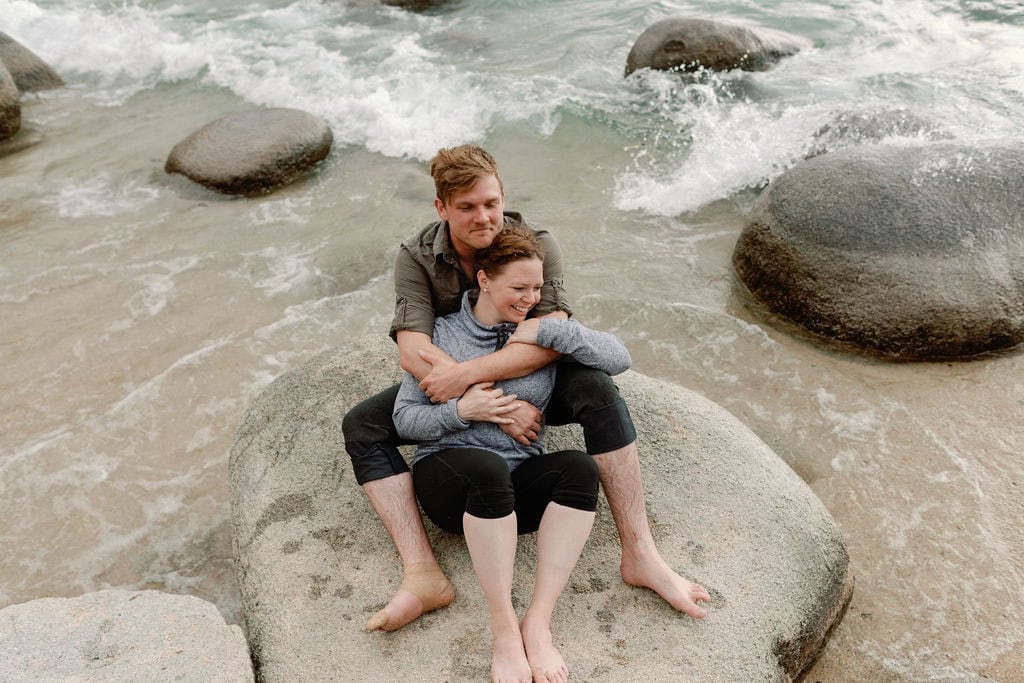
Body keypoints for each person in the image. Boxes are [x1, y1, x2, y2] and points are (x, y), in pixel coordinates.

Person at [342, 144, 709, 634]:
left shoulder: (535, 245)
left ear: (503, 195)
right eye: (467, 207)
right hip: (458, 381)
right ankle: (422, 571)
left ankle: (640, 552)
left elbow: (545, 341)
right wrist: (484, 406)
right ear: (441, 208)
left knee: (597, 390)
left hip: (522, 380)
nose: (483, 217)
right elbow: (414, 351)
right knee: (362, 426)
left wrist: (481, 387)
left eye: (491, 202)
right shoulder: (417, 256)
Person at [393, 225, 627, 683]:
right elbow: (404, 420)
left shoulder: (539, 335)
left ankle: (537, 622)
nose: (529, 297)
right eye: (519, 288)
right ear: (484, 280)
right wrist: (463, 410)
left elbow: (619, 358)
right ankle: (503, 629)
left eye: (537, 288)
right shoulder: (440, 335)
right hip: (451, 479)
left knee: (578, 469)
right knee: (485, 469)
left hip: (515, 485)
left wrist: (551, 328)